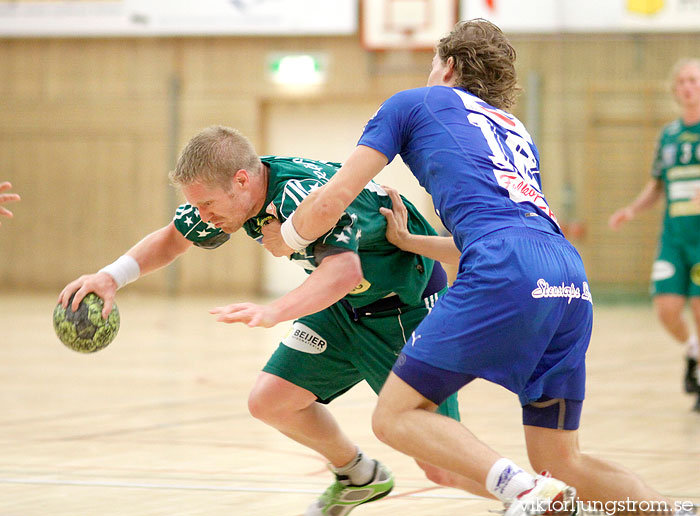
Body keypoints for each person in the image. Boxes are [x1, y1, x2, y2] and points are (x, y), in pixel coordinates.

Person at [260, 18, 682, 516]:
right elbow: (497, 230)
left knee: (394, 417)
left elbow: (332, 200)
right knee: (563, 462)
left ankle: (527, 494)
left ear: (449, 66)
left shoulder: (413, 103)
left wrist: (287, 239)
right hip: (567, 274)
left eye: (432, 63)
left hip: (505, 266)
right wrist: (409, 240)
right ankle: (670, 511)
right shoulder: (515, 130)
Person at [58, 125, 479, 516]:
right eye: (194, 204)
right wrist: (111, 277)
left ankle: (536, 498)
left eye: (205, 204)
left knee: (443, 469)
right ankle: (357, 475)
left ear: (241, 180)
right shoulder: (236, 197)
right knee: (270, 400)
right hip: (340, 307)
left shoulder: (299, 195)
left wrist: (273, 311)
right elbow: (173, 237)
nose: (201, 215)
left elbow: (345, 271)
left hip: (403, 313)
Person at [609, 58, 700, 413]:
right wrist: (632, 209)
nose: (688, 86)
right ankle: (692, 350)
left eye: (694, 80)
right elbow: (657, 184)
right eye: (682, 81)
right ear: (675, 89)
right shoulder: (669, 136)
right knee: (666, 307)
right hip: (674, 238)